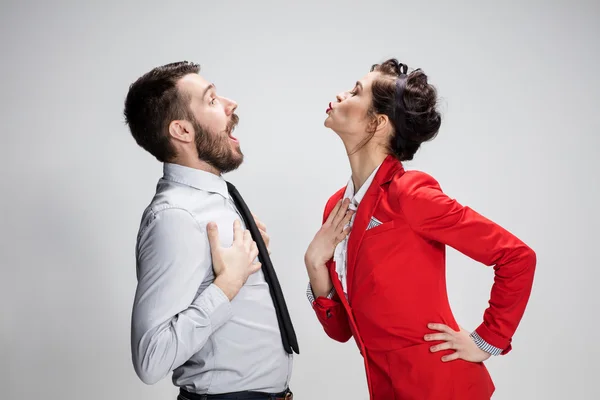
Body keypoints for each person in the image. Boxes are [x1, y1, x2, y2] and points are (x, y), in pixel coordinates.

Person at [304, 59, 536, 399]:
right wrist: (313, 262)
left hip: (442, 387)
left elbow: (517, 257)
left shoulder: (408, 194)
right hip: (387, 389)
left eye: (355, 92)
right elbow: (340, 330)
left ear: (378, 123)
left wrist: (487, 340)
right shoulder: (336, 209)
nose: (340, 95)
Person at [124, 61, 297, 400]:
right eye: (212, 99)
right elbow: (150, 359)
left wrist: (248, 259)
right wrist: (227, 285)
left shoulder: (217, 198)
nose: (231, 105)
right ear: (183, 131)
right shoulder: (176, 217)